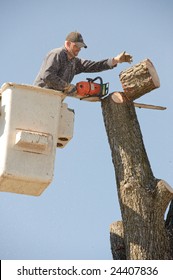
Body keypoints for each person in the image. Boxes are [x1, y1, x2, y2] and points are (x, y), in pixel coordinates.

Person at [33, 31, 133, 95]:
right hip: (41, 94)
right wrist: (67, 87)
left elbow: (94, 65)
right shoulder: (57, 54)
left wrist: (115, 60)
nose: (79, 49)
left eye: (81, 47)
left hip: (55, 98)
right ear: (68, 43)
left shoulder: (74, 62)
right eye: (76, 46)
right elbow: (48, 76)